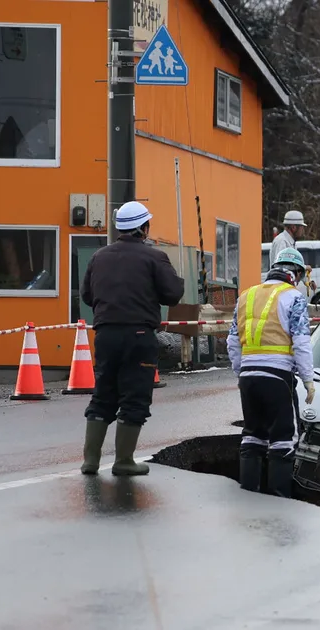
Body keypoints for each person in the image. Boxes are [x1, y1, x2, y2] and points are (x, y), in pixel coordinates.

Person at [79, 201, 185, 476]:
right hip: (139, 336)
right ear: (143, 228)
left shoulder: (99, 257)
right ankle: (123, 460)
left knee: (103, 395)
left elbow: (87, 296)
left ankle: (90, 461)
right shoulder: (154, 257)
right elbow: (172, 294)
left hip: (105, 334)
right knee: (135, 397)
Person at [227, 247, 315, 498]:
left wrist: (241, 372)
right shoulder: (293, 297)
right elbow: (301, 342)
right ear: (295, 274)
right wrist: (308, 380)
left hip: (248, 376)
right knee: (284, 438)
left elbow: (233, 341)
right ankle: (278, 499)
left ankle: (249, 493)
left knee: (253, 435)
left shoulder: (247, 295)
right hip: (277, 375)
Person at [271, 210, 316, 296]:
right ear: (293, 227)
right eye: (301, 227)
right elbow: (282, 266)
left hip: (285, 288)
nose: (302, 230)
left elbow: (295, 267)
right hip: (280, 290)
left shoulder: (290, 242)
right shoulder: (282, 241)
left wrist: (308, 282)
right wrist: (305, 267)